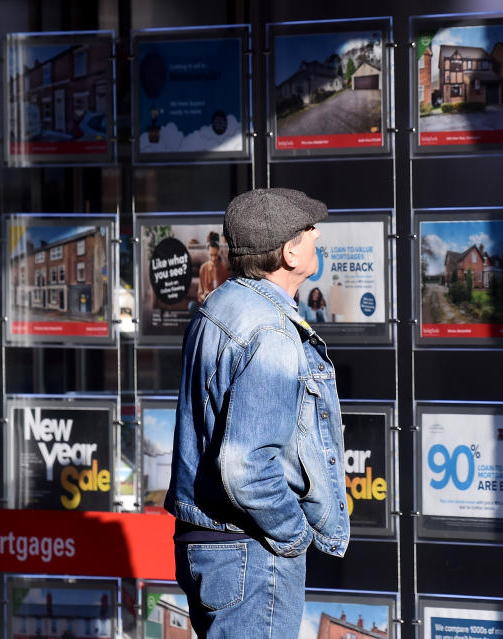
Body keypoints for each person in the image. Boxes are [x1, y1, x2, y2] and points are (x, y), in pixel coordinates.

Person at [165, 188, 350, 638]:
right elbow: (247, 466)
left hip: (210, 546)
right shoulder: (269, 331)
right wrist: (293, 537)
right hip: (249, 552)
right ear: (289, 253)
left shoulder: (220, 305)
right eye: (309, 230)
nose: (317, 234)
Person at [196, 231, 229, 304]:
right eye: (211, 255)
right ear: (207, 254)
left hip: (218, 303)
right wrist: (204, 296)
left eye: (215, 255)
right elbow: (199, 294)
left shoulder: (223, 268)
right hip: (206, 303)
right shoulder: (203, 268)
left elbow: (226, 293)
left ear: (218, 253)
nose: (213, 258)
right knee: (192, 306)